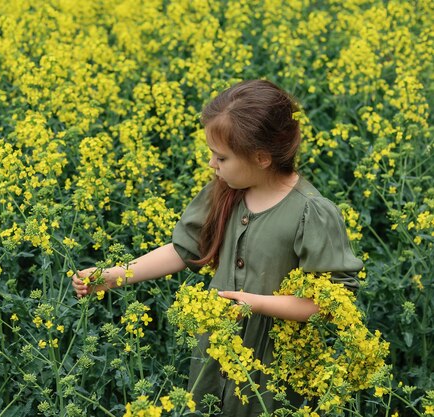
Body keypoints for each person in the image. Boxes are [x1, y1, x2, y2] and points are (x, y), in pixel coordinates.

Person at [72, 79, 363, 416]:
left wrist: (254, 303)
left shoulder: (310, 212)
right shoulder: (225, 191)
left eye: (221, 156)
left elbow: (330, 303)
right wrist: (114, 276)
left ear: (262, 157)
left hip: (276, 368)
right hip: (216, 350)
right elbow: (183, 250)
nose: (212, 164)